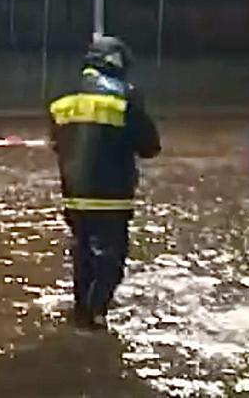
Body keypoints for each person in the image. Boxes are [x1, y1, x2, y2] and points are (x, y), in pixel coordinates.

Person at [48, 35, 161, 329]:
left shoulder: (62, 96)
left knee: (82, 251)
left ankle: (81, 311)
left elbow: (57, 143)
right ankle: (97, 313)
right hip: (112, 195)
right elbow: (150, 146)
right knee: (111, 257)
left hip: (73, 193)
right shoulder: (125, 96)